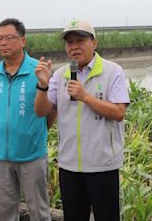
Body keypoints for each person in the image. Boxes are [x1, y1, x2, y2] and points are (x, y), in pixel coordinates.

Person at [34, 19, 130, 221]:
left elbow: (119, 112)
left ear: (94, 43)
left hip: (102, 166)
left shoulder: (113, 71)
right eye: (69, 42)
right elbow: (41, 111)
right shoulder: (60, 75)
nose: (74, 47)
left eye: (80, 40)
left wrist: (85, 96)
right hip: (69, 167)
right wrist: (43, 85)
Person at [0, 18, 54, 221]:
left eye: (9, 38)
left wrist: (35, 132)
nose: (3, 43)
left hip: (32, 156)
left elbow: (51, 110)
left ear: (23, 41)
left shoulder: (39, 71)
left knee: (39, 210)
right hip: (2, 156)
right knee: (5, 210)